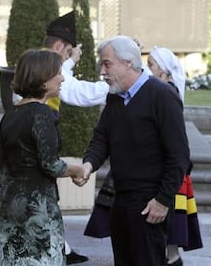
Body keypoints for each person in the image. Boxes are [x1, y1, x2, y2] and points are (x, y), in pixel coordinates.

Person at [80, 35, 191, 266]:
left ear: (128, 62)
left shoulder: (162, 95)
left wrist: (162, 200)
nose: (102, 70)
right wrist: (88, 164)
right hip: (120, 199)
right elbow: (102, 138)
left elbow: (179, 155)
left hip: (150, 201)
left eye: (107, 63)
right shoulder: (115, 98)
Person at [0, 48, 86, 265]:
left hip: (10, 204)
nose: (62, 77)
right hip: (38, 209)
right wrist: (78, 170)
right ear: (43, 80)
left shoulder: (11, 113)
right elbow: (51, 165)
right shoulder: (41, 114)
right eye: (58, 72)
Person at [43, 10, 109, 264]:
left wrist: (71, 61)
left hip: (41, 129)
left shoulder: (44, 62)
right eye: (67, 51)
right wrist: (117, 84)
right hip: (39, 129)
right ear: (60, 45)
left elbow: (64, 77)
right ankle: (58, 249)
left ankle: (62, 247)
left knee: (47, 197)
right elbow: (76, 92)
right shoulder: (48, 67)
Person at [148, 46, 203, 266]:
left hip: (168, 168)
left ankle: (171, 259)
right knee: (167, 231)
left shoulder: (167, 93)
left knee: (168, 225)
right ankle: (171, 258)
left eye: (151, 66)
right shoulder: (166, 90)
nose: (147, 70)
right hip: (168, 167)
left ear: (163, 71)